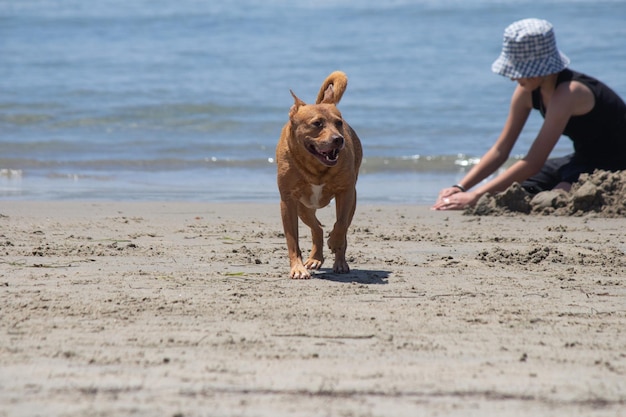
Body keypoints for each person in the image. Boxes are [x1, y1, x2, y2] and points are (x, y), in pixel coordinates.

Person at [433, 18, 626, 211]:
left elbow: (534, 161)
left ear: (540, 68)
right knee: (521, 189)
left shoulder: (569, 93)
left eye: (519, 70)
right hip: (581, 158)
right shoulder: (526, 91)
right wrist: (461, 187)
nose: (512, 77)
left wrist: (474, 197)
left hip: (615, 163)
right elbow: (500, 150)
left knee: (554, 197)